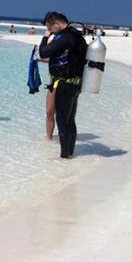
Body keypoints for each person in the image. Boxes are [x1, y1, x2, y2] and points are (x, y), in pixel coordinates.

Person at [37, 12, 88, 158]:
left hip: (65, 84)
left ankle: (65, 157)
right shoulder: (76, 36)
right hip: (76, 83)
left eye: (51, 29)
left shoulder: (65, 37)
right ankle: (69, 154)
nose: (50, 32)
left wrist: (45, 37)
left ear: (57, 24)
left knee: (62, 121)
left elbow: (43, 52)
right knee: (69, 120)